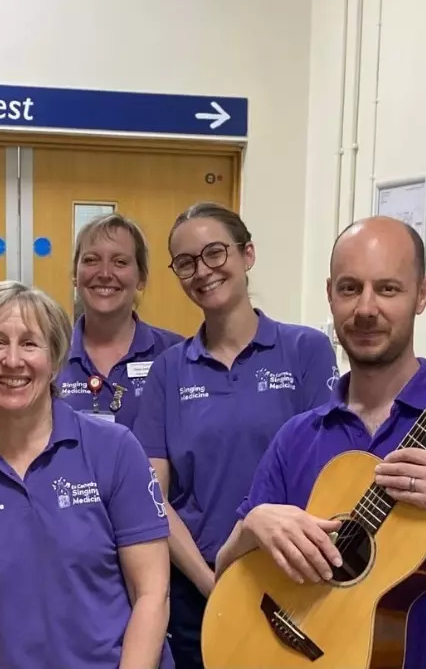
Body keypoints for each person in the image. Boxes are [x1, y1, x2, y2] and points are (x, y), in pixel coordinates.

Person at [216, 216, 426, 668]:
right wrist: (251, 526)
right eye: (350, 288)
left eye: (389, 289)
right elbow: (226, 579)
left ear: (422, 294)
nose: (366, 308)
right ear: (330, 295)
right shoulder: (298, 437)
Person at [0, 280, 173, 669]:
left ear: (55, 360)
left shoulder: (114, 449)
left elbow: (152, 593)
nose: (13, 360)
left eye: (31, 343)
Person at [132, 202, 338, 669]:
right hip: (197, 587)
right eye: (185, 262)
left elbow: (329, 472)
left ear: (247, 254)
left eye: (215, 253)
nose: (201, 271)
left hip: (295, 581)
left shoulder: (305, 351)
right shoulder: (169, 370)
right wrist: (211, 581)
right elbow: (153, 496)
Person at [56, 212, 184, 428]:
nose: (105, 273)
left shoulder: (175, 354)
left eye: (120, 262)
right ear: (75, 276)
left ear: (141, 278)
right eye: (91, 260)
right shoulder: (50, 355)